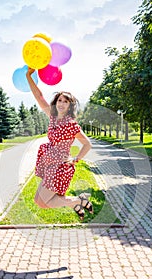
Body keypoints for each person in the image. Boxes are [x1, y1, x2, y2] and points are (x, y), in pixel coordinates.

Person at [26, 67, 93, 220]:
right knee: (39, 200)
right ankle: (76, 203)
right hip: (50, 163)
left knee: (42, 202)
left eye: (66, 101)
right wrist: (28, 75)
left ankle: (79, 200)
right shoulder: (52, 116)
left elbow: (87, 144)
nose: (62, 103)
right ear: (56, 103)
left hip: (60, 167)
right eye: (60, 100)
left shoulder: (71, 124)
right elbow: (39, 96)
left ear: (70, 105)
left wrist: (75, 159)